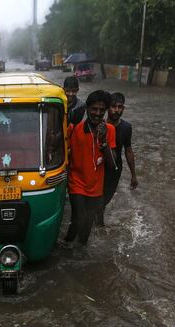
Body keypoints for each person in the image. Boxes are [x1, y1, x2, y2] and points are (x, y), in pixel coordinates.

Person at [64, 90, 116, 245]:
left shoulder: (110, 130)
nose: (97, 113)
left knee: (87, 225)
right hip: (76, 182)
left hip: (95, 186)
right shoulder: (74, 130)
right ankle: (67, 245)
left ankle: (78, 250)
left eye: (101, 110)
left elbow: (112, 164)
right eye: (94, 109)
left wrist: (104, 140)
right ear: (87, 109)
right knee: (79, 218)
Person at [96, 92, 138, 226]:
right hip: (98, 166)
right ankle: (99, 225)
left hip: (114, 168)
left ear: (123, 109)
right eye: (114, 106)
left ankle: (97, 221)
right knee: (98, 199)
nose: (117, 110)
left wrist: (134, 175)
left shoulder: (126, 128)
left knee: (106, 198)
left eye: (120, 107)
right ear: (108, 108)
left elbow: (128, 151)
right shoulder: (99, 124)